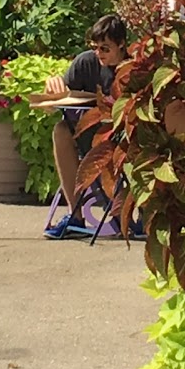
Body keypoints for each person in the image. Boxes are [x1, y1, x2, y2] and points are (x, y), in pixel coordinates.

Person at [42, 13, 128, 240]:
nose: (99, 54)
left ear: (121, 44)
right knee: (61, 130)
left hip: (124, 139)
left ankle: (130, 216)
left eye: (105, 49)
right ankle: (75, 215)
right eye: (95, 48)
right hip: (90, 135)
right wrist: (53, 93)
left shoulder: (133, 66)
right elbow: (50, 107)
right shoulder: (86, 63)